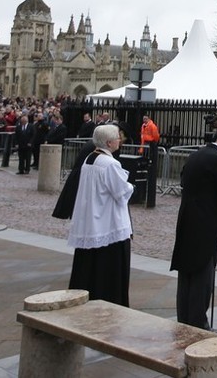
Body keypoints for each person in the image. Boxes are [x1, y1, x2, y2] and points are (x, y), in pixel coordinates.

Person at [170, 123, 217, 330]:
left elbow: (184, 180)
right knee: (203, 275)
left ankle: (184, 318)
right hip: (207, 222)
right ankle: (198, 323)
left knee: (186, 273)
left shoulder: (197, 154)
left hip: (187, 218)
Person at [66, 124, 134, 306]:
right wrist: (131, 186)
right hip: (108, 224)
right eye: (118, 138)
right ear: (110, 142)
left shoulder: (90, 158)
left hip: (92, 220)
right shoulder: (110, 163)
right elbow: (121, 192)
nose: (120, 140)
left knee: (88, 268)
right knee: (108, 270)